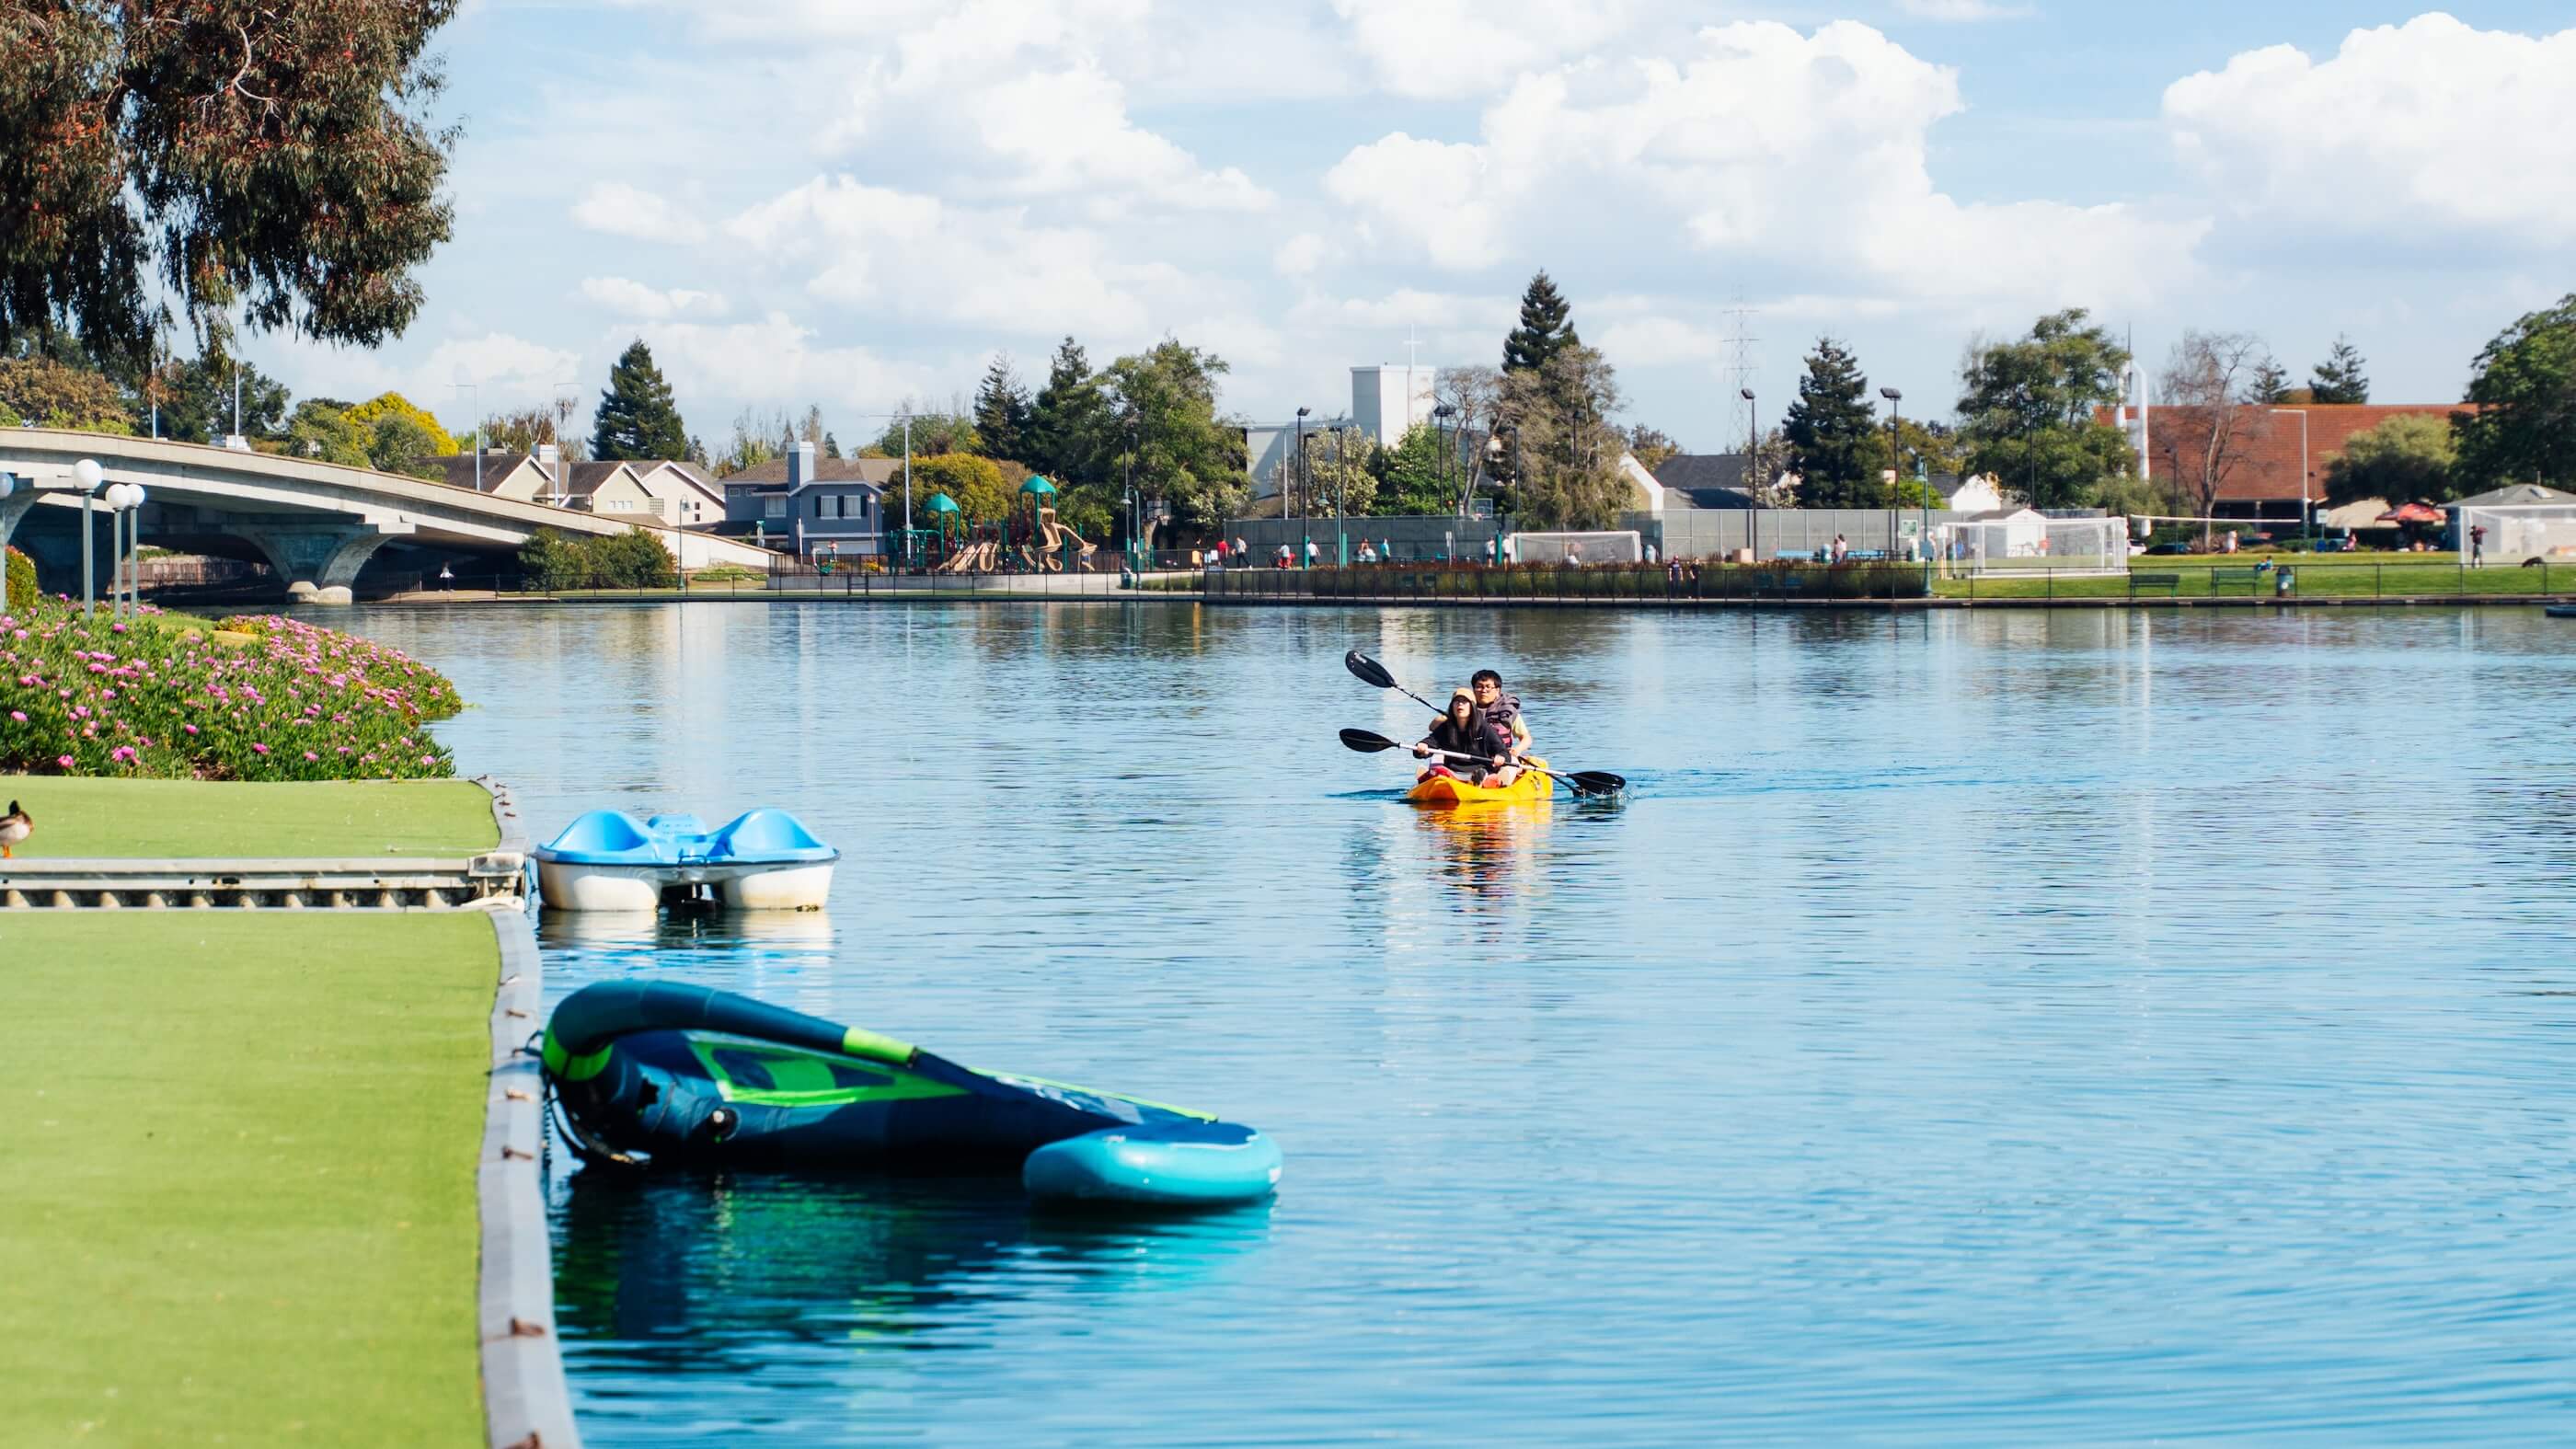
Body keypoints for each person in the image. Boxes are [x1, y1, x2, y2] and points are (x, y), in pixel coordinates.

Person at [1412, 686, 1515, 787]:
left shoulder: (1484, 728)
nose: (1460, 704)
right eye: (1457, 702)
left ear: (1472, 706)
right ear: (1452, 706)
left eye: (1464, 702)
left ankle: (1486, 781)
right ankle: (1429, 778)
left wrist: (1500, 757)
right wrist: (1422, 747)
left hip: (1480, 770)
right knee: (1439, 768)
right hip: (1452, 773)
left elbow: (1503, 751)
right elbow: (1429, 743)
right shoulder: (1445, 728)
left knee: (1489, 774)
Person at [1470, 669, 1533, 763]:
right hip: (1473, 756)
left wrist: (1518, 749)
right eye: (1479, 687)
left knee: (1511, 766)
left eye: (1488, 687)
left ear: (1497, 690)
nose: (1483, 690)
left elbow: (1526, 738)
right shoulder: (1465, 709)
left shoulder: (1507, 711)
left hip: (1502, 758)